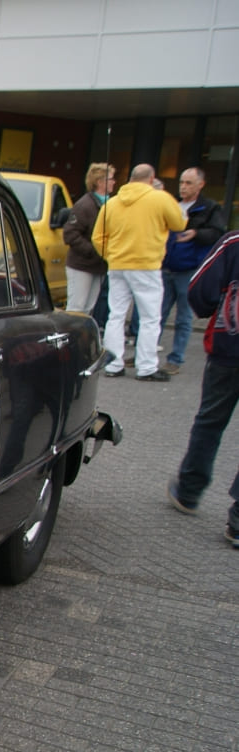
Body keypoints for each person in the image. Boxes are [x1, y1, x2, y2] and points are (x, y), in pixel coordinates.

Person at [167, 230, 239, 548]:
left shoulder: (234, 243)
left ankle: (189, 490)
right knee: (209, 421)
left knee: (210, 421)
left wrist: (215, 309)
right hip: (228, 348)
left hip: (229, 347)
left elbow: (200, 288)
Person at [91, 163, 185, 381]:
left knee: (116, 314)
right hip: (146, 264)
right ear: (151, 179)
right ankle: (146, 366)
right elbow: (179, 223)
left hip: (117, 264)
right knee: (150, 317)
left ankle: (113, 363)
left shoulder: (112, 203)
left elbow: (98, 237)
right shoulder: (159, 199)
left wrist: (112, 255)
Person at [157, 166, 223, 374]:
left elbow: (217, 233)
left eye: (188, 183)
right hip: (165, 266)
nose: (183, 187)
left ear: (200, 185)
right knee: (156, 314)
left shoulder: (210, 208)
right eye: (181, 183)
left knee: (183, 317)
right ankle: (146, 354)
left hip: (188, 269)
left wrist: (195, 233)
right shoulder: (171, 203)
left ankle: (175, 359)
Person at [62, 162, 115, 317]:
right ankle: (70, 339)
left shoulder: (110, 204)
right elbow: (70, 234)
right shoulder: (85, 205)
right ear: (100, 182)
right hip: (81, 265)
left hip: (98, 266)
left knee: (88, 308)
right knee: (76, 307)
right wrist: (94, 251)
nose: (114, 182)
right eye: (111, 179)